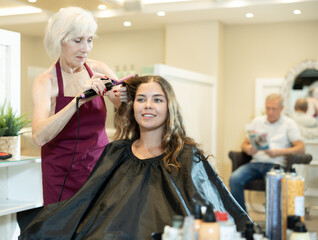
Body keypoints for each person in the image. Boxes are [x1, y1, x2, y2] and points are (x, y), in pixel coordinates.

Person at [19, 75, 251, 239]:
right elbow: (85, 204)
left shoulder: (187, 156)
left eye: (157, 99)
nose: (148, 106)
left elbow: (212, 211)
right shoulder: (116, 152)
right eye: (141, 99)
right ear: (132, 107)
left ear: (170, 108)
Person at [31, 7, 127, 206]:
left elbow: (125, 114)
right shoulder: (45, 82)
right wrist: (79, 100)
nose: (86, 48)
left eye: (90, 40)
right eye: (78, 40)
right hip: (60, 174)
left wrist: (122, 98)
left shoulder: (99, 69)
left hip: (98, 166)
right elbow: (39, 136)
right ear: (60, 40)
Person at [229, 93, 305, 212]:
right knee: (234, 179)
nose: (270, 112)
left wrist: (278, 152)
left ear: (281, 109)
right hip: (255, 163)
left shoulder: (289, 124)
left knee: (272, 182)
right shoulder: (257, 121)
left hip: (275, 166)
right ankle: (243, 218)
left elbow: (301, 148)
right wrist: (248, 148)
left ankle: (272, 221)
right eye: (268, 108)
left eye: (274, 109)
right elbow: (244, 144)